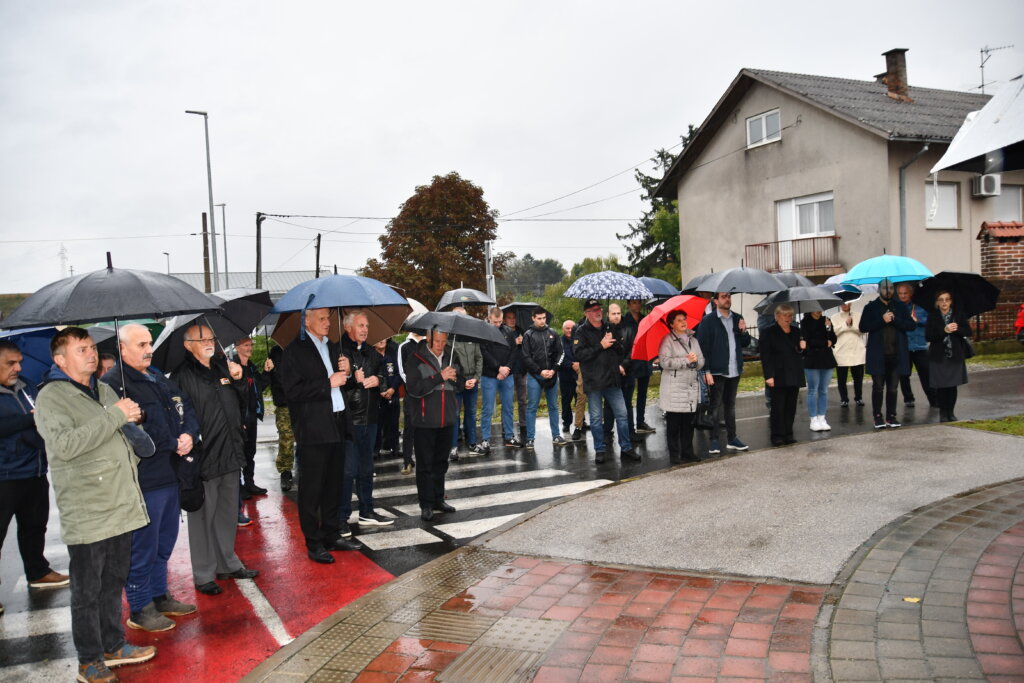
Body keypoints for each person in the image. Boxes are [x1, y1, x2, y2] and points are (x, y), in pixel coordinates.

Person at [34, 328, 156, 682]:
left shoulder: (101, 389)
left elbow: (113, 433)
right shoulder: (52, 398)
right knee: (86, 590)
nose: (91, 354)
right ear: (60, 360)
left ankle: (113, 645)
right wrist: (115, 416)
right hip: (88, 509)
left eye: (91, 348)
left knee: (112, 581)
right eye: (82, 349)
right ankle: (89, 660)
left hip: (119, 503)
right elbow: (66, 445)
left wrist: (130, 420)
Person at [102, 323, 199, 632]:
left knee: (165, 541)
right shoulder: (113, 384)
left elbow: (186, 407)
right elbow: (133, 432)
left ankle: (160, 595)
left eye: (149, 344)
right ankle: (140, 606)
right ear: (123, 349)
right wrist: (174, 442)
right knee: (142, 545)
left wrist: (189, 434)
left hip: (170, 472)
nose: (149, 350)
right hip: (144, 478)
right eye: (141, 345)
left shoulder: (156, 376)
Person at [171, 324, 258, 592]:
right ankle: (204, 573)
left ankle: (227, 563)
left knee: (225, 514)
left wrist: (240, 378)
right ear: (188, 345)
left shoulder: (223, 366)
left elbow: (243, 401)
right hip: (203, 456)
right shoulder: (182, 375)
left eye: (211, 337)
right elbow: (178, 415)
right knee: (202, 518)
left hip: (231, 451)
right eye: (202, 339)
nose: (209, 342)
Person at [279, 308, 363, 563]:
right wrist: (328, 383)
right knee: (312, 488)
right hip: (313, 427)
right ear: (306, 320)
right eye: (322, 319)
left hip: (337, 422)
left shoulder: (333, 346)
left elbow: (341, 384)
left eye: (329, 318)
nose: (328, 323)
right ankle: (313, 542)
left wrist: (347, 373)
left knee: (333, 484)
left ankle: (331, 533)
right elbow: (291, 391)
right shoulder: (294, 351)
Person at [0, 340, 69, 620]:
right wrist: (30, 421)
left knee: (34, 525)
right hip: (4, 475)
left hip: (34, 469)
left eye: (19, 362)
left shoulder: (27, 386)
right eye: (10, 363)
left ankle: (38, 571)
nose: (18, 368)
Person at [338, 310, 393, 530]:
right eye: (361, 326)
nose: (365, 330)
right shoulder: (338, 352)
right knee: (347, 470)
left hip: (370, 417)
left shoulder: (371, 352)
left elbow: (384, 374)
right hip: (348, 419)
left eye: (367, 326)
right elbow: (334, 383)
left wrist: (377, 379)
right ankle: (341, 517)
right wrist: (352, 377)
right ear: (348, 327)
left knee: (366, 467)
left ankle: (366, 510)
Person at [573, 298, 639, 464]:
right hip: (594, 382)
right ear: (586, 313)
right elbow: (579, 355)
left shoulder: (610, 327)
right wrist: (601, 345)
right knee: (596, 418)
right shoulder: (580, 331)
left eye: (599, 309)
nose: (598, 312)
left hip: (612, 380)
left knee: (622, 415)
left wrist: (614, 343)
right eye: (593, 310)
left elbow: (622, 350)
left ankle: (626, 447)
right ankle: (600, 450)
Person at [405, 330, 461, 521]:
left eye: (443, 341)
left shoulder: (452, 356)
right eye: (437, 341)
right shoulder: (415, 358)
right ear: (429, 339)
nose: (440, 345)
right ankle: (426, 504)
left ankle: (438, 499)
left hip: (447, 419)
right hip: (424, 421)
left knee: (441, 463)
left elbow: (460, 384)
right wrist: (440, 377)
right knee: (424, 465)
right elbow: (413, 389)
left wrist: (457, 378)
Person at [695, 292, 751, 454]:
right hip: (717, 371)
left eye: (729, 296)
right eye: (724, 296)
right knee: (715, 407)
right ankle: (714, 440)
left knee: (731, 407)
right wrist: (706, 371)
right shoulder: (708, 321)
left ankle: (732, 439)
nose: (727, 299)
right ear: (715, 300)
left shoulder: (737, 317)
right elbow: (703, 348)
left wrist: (743, 331)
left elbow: (745, 343)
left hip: (734, 369)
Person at [859, 279, 914, 429]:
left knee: (893, 388)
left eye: (890, 288)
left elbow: (911, 325)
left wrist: (894, 320)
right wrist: (882, 320)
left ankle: (891, 416)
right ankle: (878, 416)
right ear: (879, 290)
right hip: (878, 355)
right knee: (878, 387)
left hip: (896, 354)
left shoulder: (900, 307)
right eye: (885, 288)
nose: (888, 290)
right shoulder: (871, 307)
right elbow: (863, 327)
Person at [657, 310, 704, 462]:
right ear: (671, 324)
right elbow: (665, 362)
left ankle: (687, 452)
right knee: (674, 425)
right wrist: (686, 360)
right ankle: (674, 454)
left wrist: (696, 361)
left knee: (688, 424)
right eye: (679, 320)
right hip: (674, 390)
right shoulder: (667, 341)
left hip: (690, 388)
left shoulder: (693, 340)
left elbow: (701, 361)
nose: (684, 322)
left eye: (684, 319)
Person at [522, 307, 569, 449]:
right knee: (532, 407)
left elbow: (561, 353)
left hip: (552, 376)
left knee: (553, 406)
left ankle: (556, 435)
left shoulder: (553, 333)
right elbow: (525, 357)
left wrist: (554, 370)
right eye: (539, 318)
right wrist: (539, 371)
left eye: (544, 318)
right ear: (533, 318)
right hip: (535, 376)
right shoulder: (528, 335)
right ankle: (530, 438)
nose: (542, 321)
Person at [232, 337, 273, 498]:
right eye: (246, 345)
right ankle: (239, 486)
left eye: (251, 345)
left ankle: (249, 483)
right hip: (239, 417)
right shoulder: (232, 368)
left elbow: (260, 386)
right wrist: (238, 419)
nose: (250, 348)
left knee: (250, 451)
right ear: (237, 347)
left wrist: (267, 371)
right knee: (239, 453)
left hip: (252, 415)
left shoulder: (251, 367)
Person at [760, 305, 806, 447]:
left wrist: (803, 348)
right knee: (778, 407)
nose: (788, 318)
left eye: (790, 315)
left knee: (791, 407)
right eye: (785, 315)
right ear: (777, 316)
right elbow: (765, 356)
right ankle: (777, 435)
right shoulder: (768, 332)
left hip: (794, 374)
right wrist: (769, 376)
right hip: (778, 374)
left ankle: (788, 433)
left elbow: (800, 354)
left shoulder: (797, 331)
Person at [479, 306, 522, 451]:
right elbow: (484, 353)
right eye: (494, 322)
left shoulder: (509, 331)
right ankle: (485, 439)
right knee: (487, 408)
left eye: (499, 321)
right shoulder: (483, 332)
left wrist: (506, 369)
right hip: (489, 375)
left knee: (509, 407)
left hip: (507, 375)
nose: (497, 324)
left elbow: (514, 351)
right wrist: (498, 368)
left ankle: (509, 436)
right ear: (489, 318)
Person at [925, 291, 972, 422]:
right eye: (941, 300)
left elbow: (968, 331)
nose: (944, 302)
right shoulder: (932, 316)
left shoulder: (958, 315)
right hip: (938, 355)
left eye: (947, 299)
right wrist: (944, 331)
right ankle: (943, 413)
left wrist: (957, 329)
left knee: (952, 386)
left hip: (954, 354)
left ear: (951, 301)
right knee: (941, 386)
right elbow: (928, 336)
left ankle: (951, 412)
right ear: (937, 302)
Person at [447, 306, 482, 460]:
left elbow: (479, 358)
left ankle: (472, 442)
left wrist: (476, 377)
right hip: (456, 383)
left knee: (471, 413)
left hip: (472, 381)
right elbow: (451, 364)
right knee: (454, 414)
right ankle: (453, 446)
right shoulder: (449, 339)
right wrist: (462, 381)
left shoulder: (473, 336)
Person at [896, 282, 937, 408]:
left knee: (926, 374)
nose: (903, 296)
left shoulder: (919, 307)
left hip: (920, 346)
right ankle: (908, 398)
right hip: (904, 346)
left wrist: (917, 320)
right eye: (900, 294)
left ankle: (933, 399)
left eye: (905, 293)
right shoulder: (896, 308)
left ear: (911, 294)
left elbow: (929, 320)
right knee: (904, 374)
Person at [602, 303, 637, 446]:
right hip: (610, 374)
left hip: (627, 372)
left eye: (618, 313)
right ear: (608, 315)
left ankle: (630, 432)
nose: (616, 316)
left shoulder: (629, 328)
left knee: (627, 404)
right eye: (613, 313)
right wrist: (615, 366)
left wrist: (623, 365)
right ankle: (607, 433)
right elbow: (603, 352)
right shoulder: (603, 330)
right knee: (609, 405)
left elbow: (632, 350)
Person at [800, 311, 837, 432]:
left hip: (827, 359)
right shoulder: (805, 322)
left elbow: (833, 338)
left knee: (824, 390)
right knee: (812, 390)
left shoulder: (826, 319)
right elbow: (809, 340)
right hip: (812, 360)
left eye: (820, 308)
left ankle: (822, 417)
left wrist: (829, 328)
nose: (818, 311)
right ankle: (813, 419)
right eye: (816, 308)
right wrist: (825, 343)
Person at [624, 299, 656, 434]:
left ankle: (640, 421)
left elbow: (651, 338)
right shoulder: (624, 320)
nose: (637, 305)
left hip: (644, 359)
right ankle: (629, 425)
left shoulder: (645, 319)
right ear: (629, 304)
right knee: (628, 395)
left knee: (642, 393)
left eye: (639, 302)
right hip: (630, 361)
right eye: (634, 302)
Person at [266, 344, 295, 491]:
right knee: (286, 438)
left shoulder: (300, 348)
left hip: (302, 401)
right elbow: (276, 379)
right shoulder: (276, 352)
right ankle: (285, 471)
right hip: (284, 403)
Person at [397, 331, 424, 473]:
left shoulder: (429, 344)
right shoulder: (404, 346)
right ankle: (407, 460)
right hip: (412, 394)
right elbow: (401, 371)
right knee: (410, 426)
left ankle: (425, 459)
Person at [831, 303, 866, 408]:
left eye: (847, 303)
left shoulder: (858, 315)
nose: (844, 305)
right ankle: (844, 399)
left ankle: (858, 398)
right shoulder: (834, 317)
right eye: (842, 303)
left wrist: (851, 326)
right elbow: (834, 332)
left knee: (858, 378)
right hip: (841, 351)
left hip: (857, 351)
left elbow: (862, 330)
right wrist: (845, 324)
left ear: (851, 303)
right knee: (842, 378)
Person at [503, 309, 529, 439]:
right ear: (504, 319)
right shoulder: (501, 331)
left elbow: (527, 350)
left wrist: (523, 342)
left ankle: (523, 424)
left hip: (521, 370)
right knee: (507, 401)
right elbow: (500, 349)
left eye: (513, 317)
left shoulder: (521, 331)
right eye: (509, 317)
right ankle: (506, 426)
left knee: (523, 400)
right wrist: (514, 342)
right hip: (508, 371)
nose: (512, 320)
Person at [374, 338, 402, 458]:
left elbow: (399, 372)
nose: (382, 340)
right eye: (379, 338)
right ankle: (375, 450)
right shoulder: (370, 355)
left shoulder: (393, 352)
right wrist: (380, 390)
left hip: (393, 393)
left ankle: (395, 447)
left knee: (394, 422)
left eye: (384, 338)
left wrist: (392, 388)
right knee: (377, 423)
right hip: (376, 395)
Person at [557, 320, 584, 439]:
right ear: (563, 329)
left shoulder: (580, 339)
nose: (569, 330)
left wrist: (580, 364)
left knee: (580, 399)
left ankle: (581, 421)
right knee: (566, 400)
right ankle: (566, 423)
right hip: (565, 375)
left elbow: (584, 353)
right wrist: (571, 364)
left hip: (579, 374)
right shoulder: (559, 342)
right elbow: (558, 356)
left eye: (571, 328)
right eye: (567, 328)